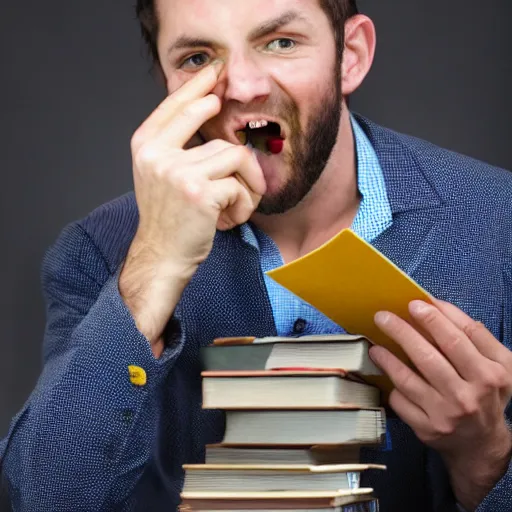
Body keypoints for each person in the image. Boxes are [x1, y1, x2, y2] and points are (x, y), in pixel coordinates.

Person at [1, 0, 511, 510]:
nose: (242, 88)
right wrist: (154, 264)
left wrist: (487, 457)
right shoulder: (96, 252)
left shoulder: (498, 224)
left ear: (350, 55)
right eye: (198, 58)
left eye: (282, 43)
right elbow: (48, 497)